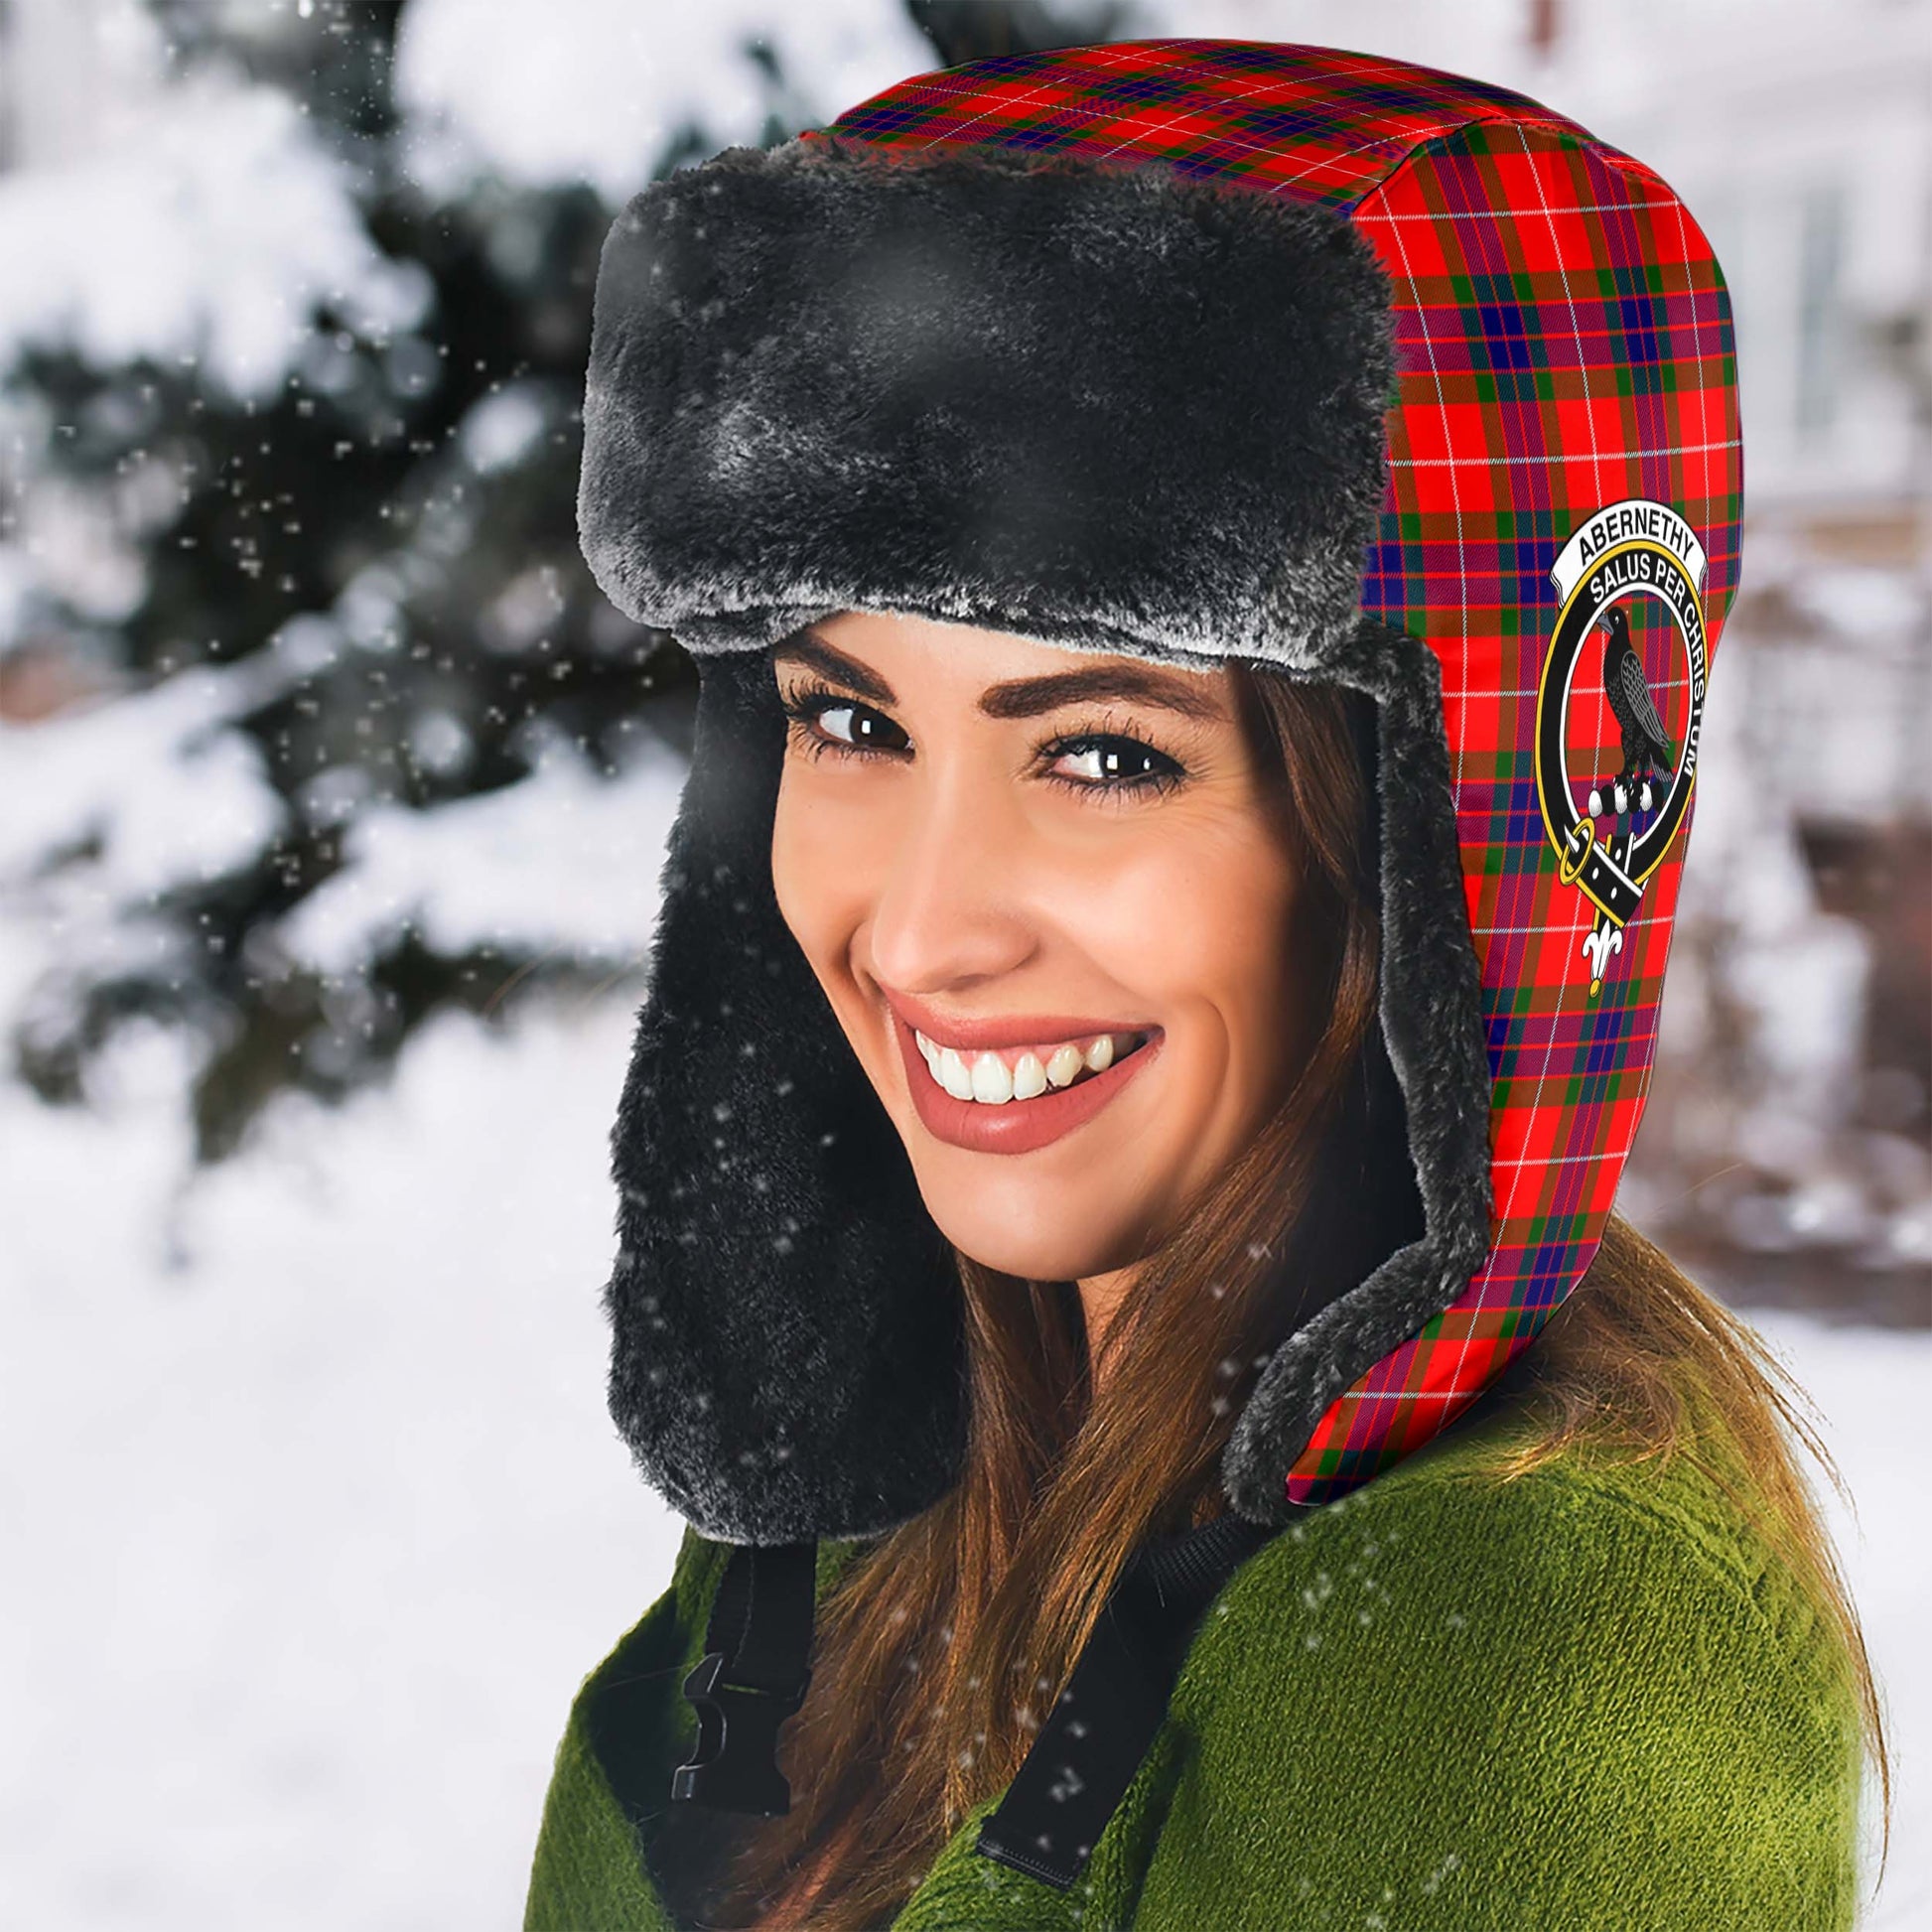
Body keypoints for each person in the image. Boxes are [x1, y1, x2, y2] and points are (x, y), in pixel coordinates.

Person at [524, 38, 1888, 1932]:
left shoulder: (1516, 1638)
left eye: (1100, 753)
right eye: (848, 720)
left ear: (1433, 846)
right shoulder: (881, 1488)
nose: (918, 931)